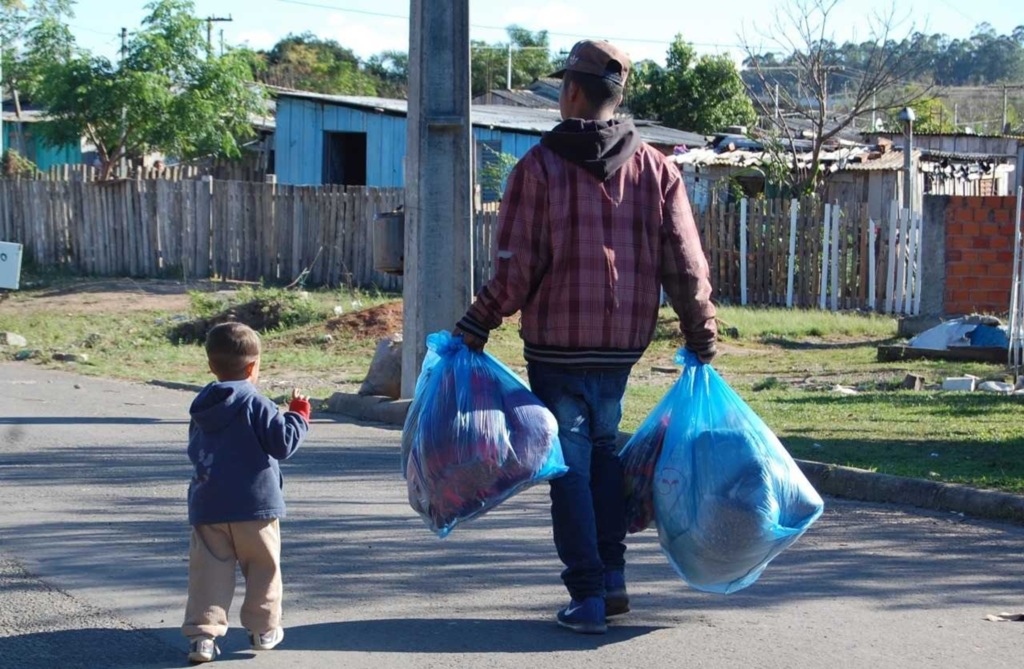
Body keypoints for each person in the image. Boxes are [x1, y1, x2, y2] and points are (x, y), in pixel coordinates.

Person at [454, 39, 717, 634]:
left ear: (571, 91)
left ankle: (589, 595)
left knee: (569, 467)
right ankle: (615, 581)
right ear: (617, 97)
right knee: (603, 455)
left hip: (556, 349)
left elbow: (517, 267)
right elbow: (687, 264)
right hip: (621, 350)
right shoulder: (657, 169)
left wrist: (478, 322)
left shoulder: (538, 168)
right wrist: (701, 333)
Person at [181, 322, 311, 662]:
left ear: (211, 366)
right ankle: (263, 628)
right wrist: (298, 416)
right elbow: (281, 445)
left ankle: (202, 638)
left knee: (208, 573)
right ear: (253, 367)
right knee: (263, 568)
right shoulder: (258, 404)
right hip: (256, 506)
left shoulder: (201, 407)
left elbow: (194, 450)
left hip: (208, 503)